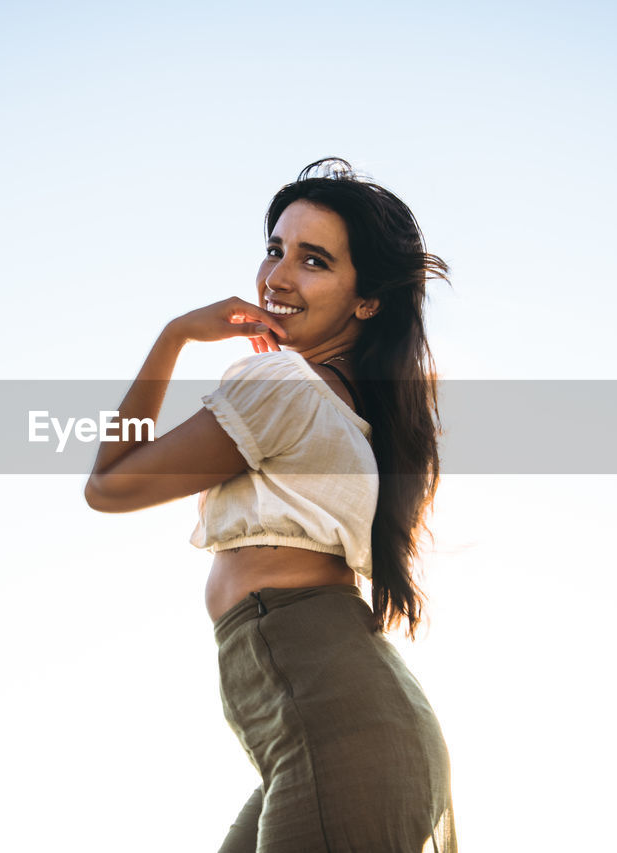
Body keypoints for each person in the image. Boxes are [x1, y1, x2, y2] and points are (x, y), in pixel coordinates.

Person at [85, 157, 457, 852]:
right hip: (334, 729)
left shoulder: (284, 384)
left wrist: (174, 335)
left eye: (314, 260)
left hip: (338, 724)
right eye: (274, 249)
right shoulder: (340, 406)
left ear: (366, 299)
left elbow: (108, 482)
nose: (278, 277)